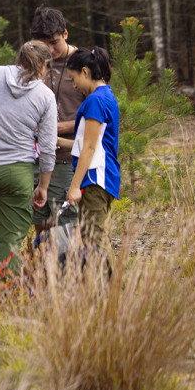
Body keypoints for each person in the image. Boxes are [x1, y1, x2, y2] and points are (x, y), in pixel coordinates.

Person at [0, 40, 57, 280]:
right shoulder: (46, 96)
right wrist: (43, 186)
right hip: (18, 173)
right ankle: (6, 298)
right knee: (11, 240)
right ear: (44, 65)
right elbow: (47, 149)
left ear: (18, 58)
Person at [56, 47, 120, 249]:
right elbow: (87, 143)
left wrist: (74, 186)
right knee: (93, 237)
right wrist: (56, 141)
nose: (74, 85)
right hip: (100, 177)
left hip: (94, 178)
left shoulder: (95, 101)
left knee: (95, 240)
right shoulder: (105, 95)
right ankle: (105, 280)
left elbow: (90, 148)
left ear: (85, 72)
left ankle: (110, 281)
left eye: (73, 78)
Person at [29, 6, 85, 233]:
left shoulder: (85, 63)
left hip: (68, 159)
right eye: (43, 45)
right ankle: (44, 269)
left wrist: (59, 128)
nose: (50, 50)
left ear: (65, 34)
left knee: (66, 229)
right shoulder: (32, 63)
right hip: (34, 159)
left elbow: (100, 119)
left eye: (54, 43)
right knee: (40, 227)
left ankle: (71, 268)